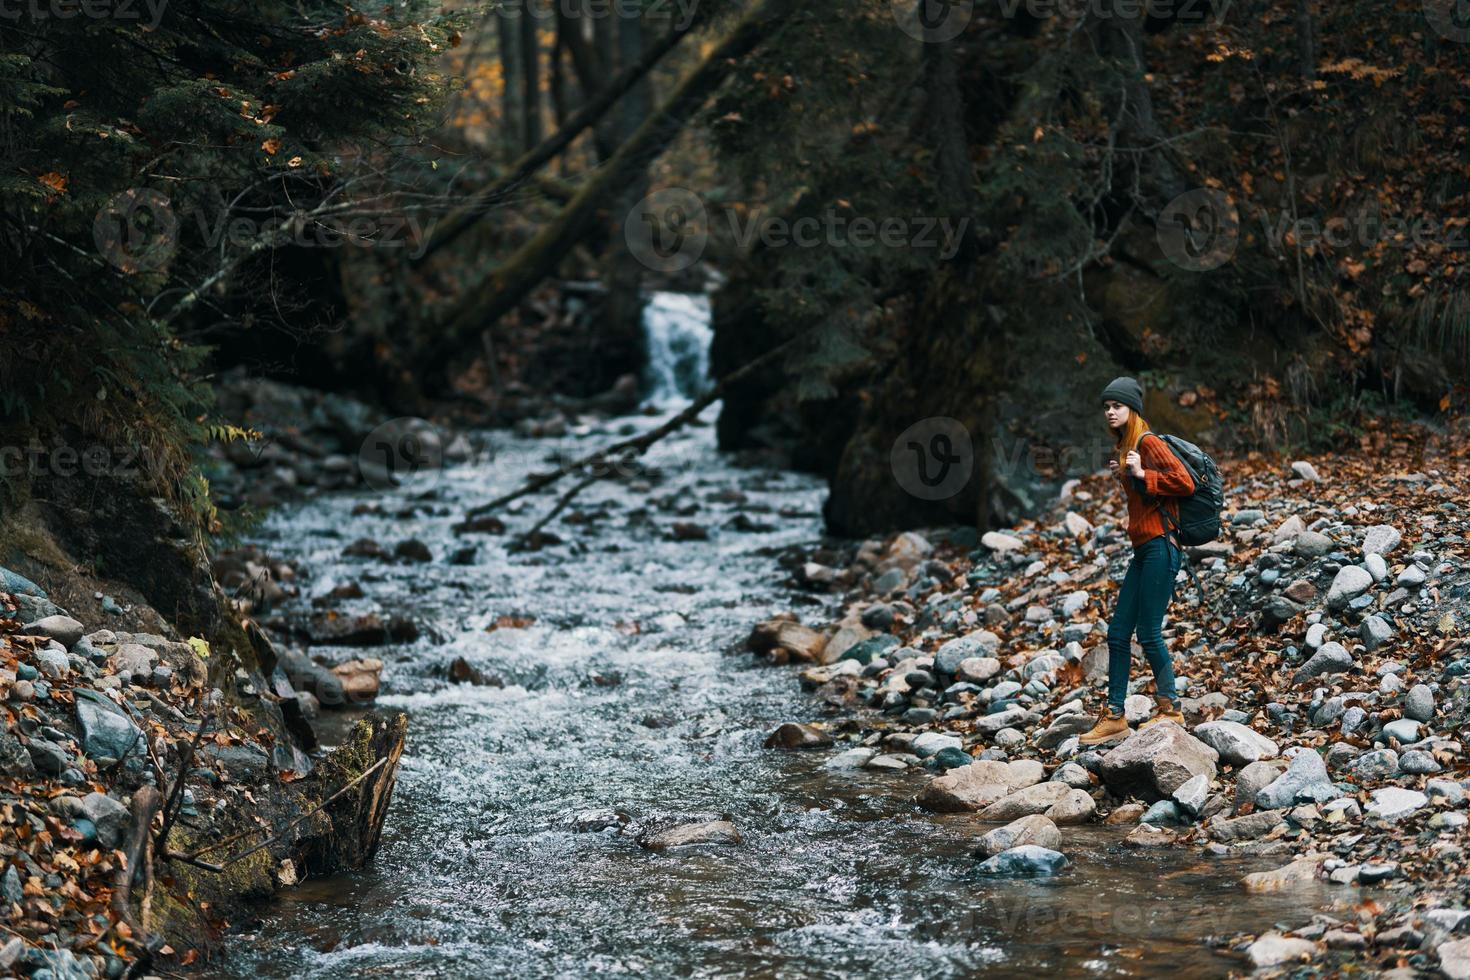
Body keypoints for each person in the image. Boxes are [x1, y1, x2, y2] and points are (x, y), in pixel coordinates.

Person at [1078, 376, 1197, 746]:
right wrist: (1127, 476)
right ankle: (1115, 715)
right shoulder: (1128, 446)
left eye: (1117, 406)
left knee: (1147, 632)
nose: (1110, 412)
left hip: (1162, 546)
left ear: (1132, 409)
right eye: (1107, 406)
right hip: (1143, 549)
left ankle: (1171, 707)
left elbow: (1185, 482)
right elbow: (1146, 497)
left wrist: (1143, 472)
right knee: (1117, 633)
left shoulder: (1148, 442)